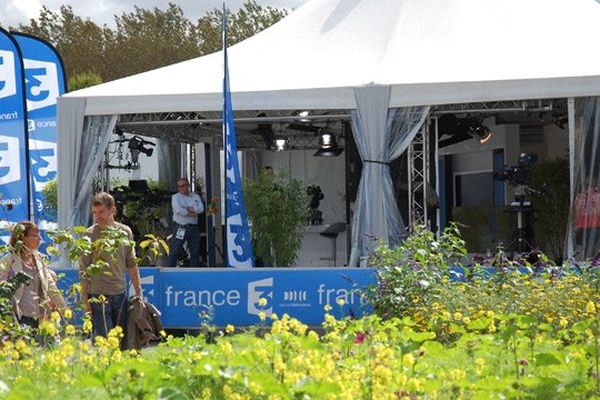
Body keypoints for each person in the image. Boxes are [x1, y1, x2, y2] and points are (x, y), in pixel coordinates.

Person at [79, 192, 142, 338]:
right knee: (105, 339)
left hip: (120, 293)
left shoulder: (125, 231)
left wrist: (139, 293)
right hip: (98, 294)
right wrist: (85, 301)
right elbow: (84, 270)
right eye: (94, 212)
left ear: (112, 210)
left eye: (101, 212)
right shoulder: (89, 235)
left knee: (119, 339)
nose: (97, 216)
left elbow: (132, 264)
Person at [0, 221, 68, 328]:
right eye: (36, 236)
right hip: (19, 318)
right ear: (22, 238)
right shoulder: (8, 260)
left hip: (41, 318)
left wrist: (64, 310)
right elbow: (2, 289)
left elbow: (50, 285)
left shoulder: (40, 259)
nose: (40, 239)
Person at [168, 177, 204, 267]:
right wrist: (191, 212)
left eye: (183, 186)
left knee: (195, 251)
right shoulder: (175, 197)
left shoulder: (195, 196)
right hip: (181, 227)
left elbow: (201, 209)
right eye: (179, 186)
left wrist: (189, 209)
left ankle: (194, 273)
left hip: (193, 228)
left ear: (188, 186)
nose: (181, 188)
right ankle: (170, 271)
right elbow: (178, 210)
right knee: (175, 250)